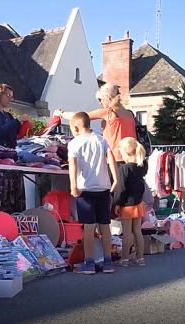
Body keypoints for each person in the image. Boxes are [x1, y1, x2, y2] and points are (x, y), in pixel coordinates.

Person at [68, 112, 119, 275]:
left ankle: (89, 262)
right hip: (103, 187)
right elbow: (111, 157)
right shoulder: (101, 139)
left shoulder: (75, 143)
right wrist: (116, 179)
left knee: (88, 228)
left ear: (76, 127)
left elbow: (73, 165)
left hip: (85, 189)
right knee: (105, 226)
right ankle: (108, 262)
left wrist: (73, 185)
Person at [55, 83, 136, 163]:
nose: (100, 103)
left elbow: (80, 117)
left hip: (115, 158)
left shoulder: (108, 112)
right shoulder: (130, 114)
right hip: (133, 159)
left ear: (107, 98)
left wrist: (61, 113)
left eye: (100, 99)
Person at [0, 84, 30, 213]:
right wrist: (17, 120)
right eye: (8, 95)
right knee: (0, 200)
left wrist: (25, 127)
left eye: (12, 96)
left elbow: (15, 136)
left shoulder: (9, 116)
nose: (10, 99)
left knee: (16, 199)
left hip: (13, 161)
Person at [113, 137, 147, 267]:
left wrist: (116, 202)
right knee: (137, 231)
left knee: (127, 233)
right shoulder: (141, 167)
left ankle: (125, 258)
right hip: (139, 203)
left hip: (126, 205)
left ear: (125, 153)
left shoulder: (124, 169)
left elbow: (121, 189)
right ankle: (140, 258)